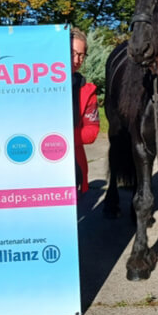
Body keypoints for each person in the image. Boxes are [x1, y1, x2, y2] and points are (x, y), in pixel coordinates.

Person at [70, 28, 99, 194]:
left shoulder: (87, 90)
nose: (76, 60)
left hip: (75, 167)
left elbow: (92, 131)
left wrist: (60, 140)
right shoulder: (39, 85)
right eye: (72, 53)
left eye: (81, 55)